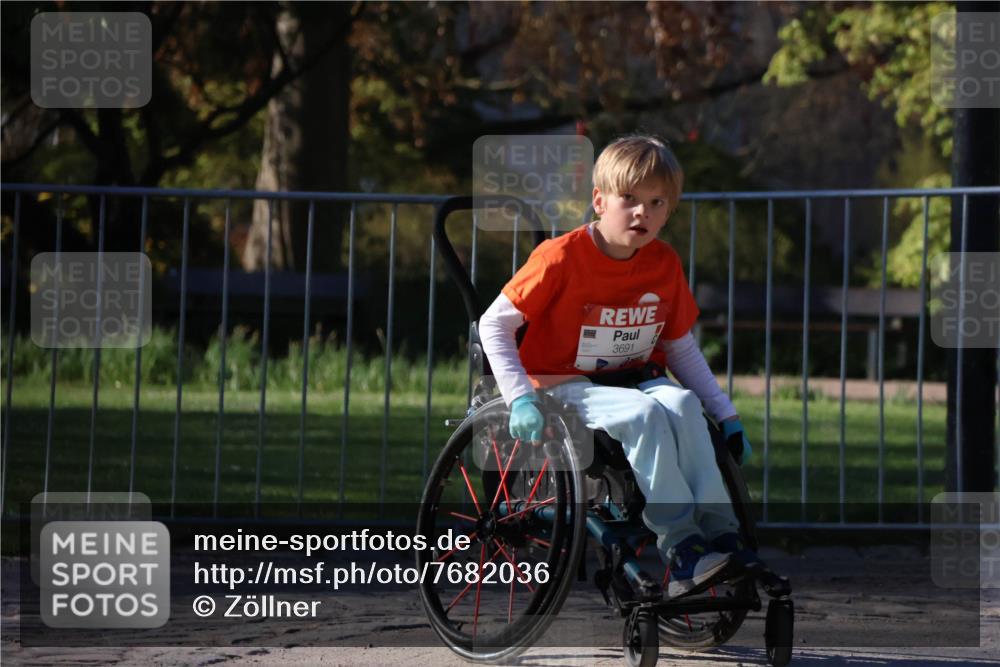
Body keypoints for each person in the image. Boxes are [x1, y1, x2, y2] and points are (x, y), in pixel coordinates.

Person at [479, 134, 758, 599]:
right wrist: (519, 397)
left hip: (633, 379)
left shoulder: (663, 263)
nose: (641, 212)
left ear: (669, 211)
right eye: (629, 198)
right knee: (643, 414)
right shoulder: (560, 257)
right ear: (599, 201)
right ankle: (681, 545)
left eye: (656, 202)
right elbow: (493, 324)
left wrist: (726, 415)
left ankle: (720, 533)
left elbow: (680, 347)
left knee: (684, 405)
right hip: (563, 383)